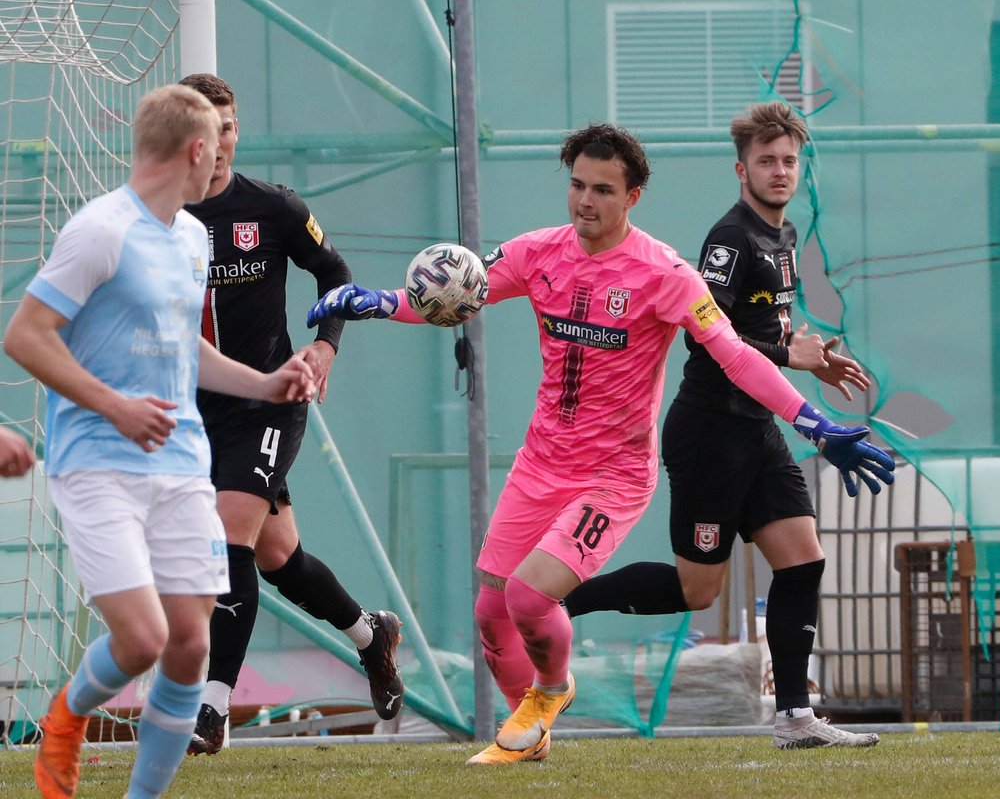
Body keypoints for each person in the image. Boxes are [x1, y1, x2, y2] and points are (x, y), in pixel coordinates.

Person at [306, 122, 894, 764]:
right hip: (539, 463)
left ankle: (553, 689)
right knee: (491, 612)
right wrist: (378, 301)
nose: (586, 201)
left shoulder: (665, 273)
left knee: (529, 597)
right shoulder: (535, 252)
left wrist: (814, 422)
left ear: (633, 196)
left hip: (613, 475)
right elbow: (458, 296)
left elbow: (733, 355)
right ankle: (529, 746)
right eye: (578, 186)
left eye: (603, 190)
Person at [4, 84, 316, 799]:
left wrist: (267, 384)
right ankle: (68, 713)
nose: (224, 159)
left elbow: (185, 348)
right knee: (141, 639)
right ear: (198, 150)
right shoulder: (102, 229)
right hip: (98, 464)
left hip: (181, 465)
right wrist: (113, 405)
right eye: (221, 143)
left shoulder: (190, 236)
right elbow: (25, 335)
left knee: (190, 645)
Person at [562, 101, 884, 749]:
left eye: (789, 160)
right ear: (742, 169)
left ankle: (794, 717)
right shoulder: (730, 239)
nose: (779, 171)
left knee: (802, 561)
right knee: (697, 590)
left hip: (757, 428)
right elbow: (709, 339)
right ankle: (558, 602)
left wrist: (804, 350)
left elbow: (764, 328)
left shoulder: (784, 237)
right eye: (766, 160)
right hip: (708, 432)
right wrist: (784, 354)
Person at [176, 73, 404, 756]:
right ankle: (371, 634)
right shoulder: (157, 218)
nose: (221, 144)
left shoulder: (272, 209)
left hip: (272, 401)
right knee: (280, 558)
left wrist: (324, 348)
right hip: (194, 412)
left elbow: (334, 273)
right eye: (207, 131)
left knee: (228, 541)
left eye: (231, 128)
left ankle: (212, 707)